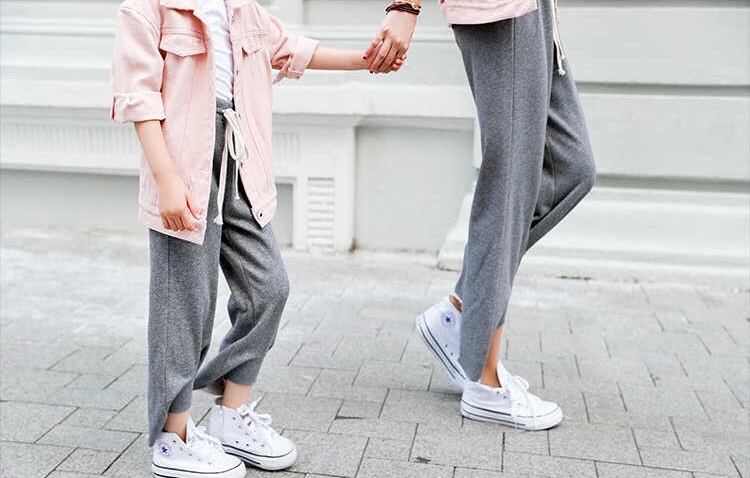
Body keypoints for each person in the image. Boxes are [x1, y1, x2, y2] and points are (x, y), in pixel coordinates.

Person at [111, 1, 402, 477]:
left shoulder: (241, 7)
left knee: (268, 289)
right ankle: (172, 435)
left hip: (242, 160)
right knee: (185, 305)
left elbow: (291, 48)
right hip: (183, 167)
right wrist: (165, 178)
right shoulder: (147, 8)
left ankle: (230, 413)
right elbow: (138, 96)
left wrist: (364, 60)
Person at [365, 0, 596, 429]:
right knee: (510, 181)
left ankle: (461, 311)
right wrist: (405, 6)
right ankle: (485, 382)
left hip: (536, 10)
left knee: (571, 168)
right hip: (498, 11)